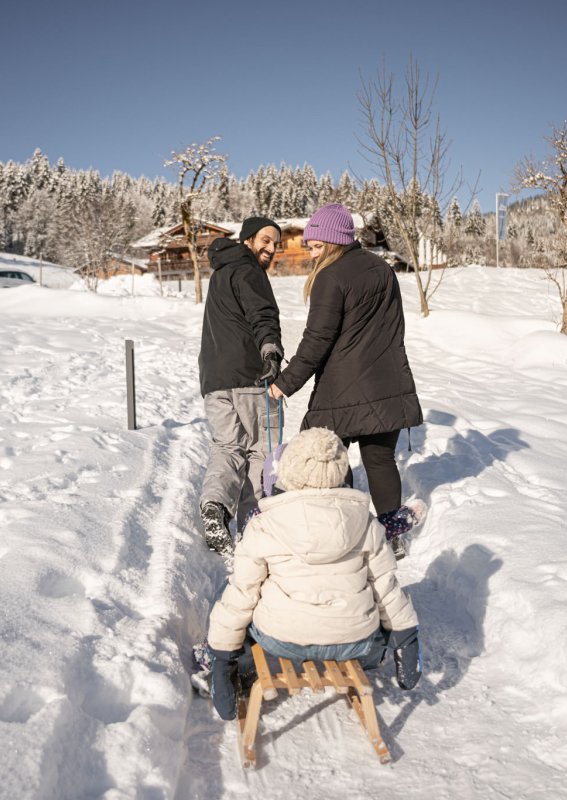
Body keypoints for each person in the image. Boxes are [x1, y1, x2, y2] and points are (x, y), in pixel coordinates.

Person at [202, 428, 424, 721]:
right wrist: (406, 640)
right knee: (373, 588)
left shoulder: (263, 524)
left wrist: (221, 659)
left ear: (288, 472)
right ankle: (368, 656)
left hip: (281, 639)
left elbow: (240, 596)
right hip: (355, 642)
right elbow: (386, 588)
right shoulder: (366, 523)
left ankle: (238, 668)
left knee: (237, 588)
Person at [269, 203, 422, 557]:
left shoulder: (331, 276)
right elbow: (394, 328)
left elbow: (317, 341)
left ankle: (345, 533)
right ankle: (392, 534)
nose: (311, 252)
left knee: (329, 460)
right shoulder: (382, 269)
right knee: (380, 460)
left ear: (336, 241)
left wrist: (286, 382)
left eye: (317, 245)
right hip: (387, 384)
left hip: (342, 389)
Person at [198, 217, 284, 556]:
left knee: (227, 448)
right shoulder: (249, 270)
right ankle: (254, 529)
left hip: (215, 381)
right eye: (266, 240)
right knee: (262, 451)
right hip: (251, 377)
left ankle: (216, 505)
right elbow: (261, 314)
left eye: (276, 243)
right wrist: (271, 351)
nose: (271, 248)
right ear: (248, 239)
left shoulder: (222, 270)